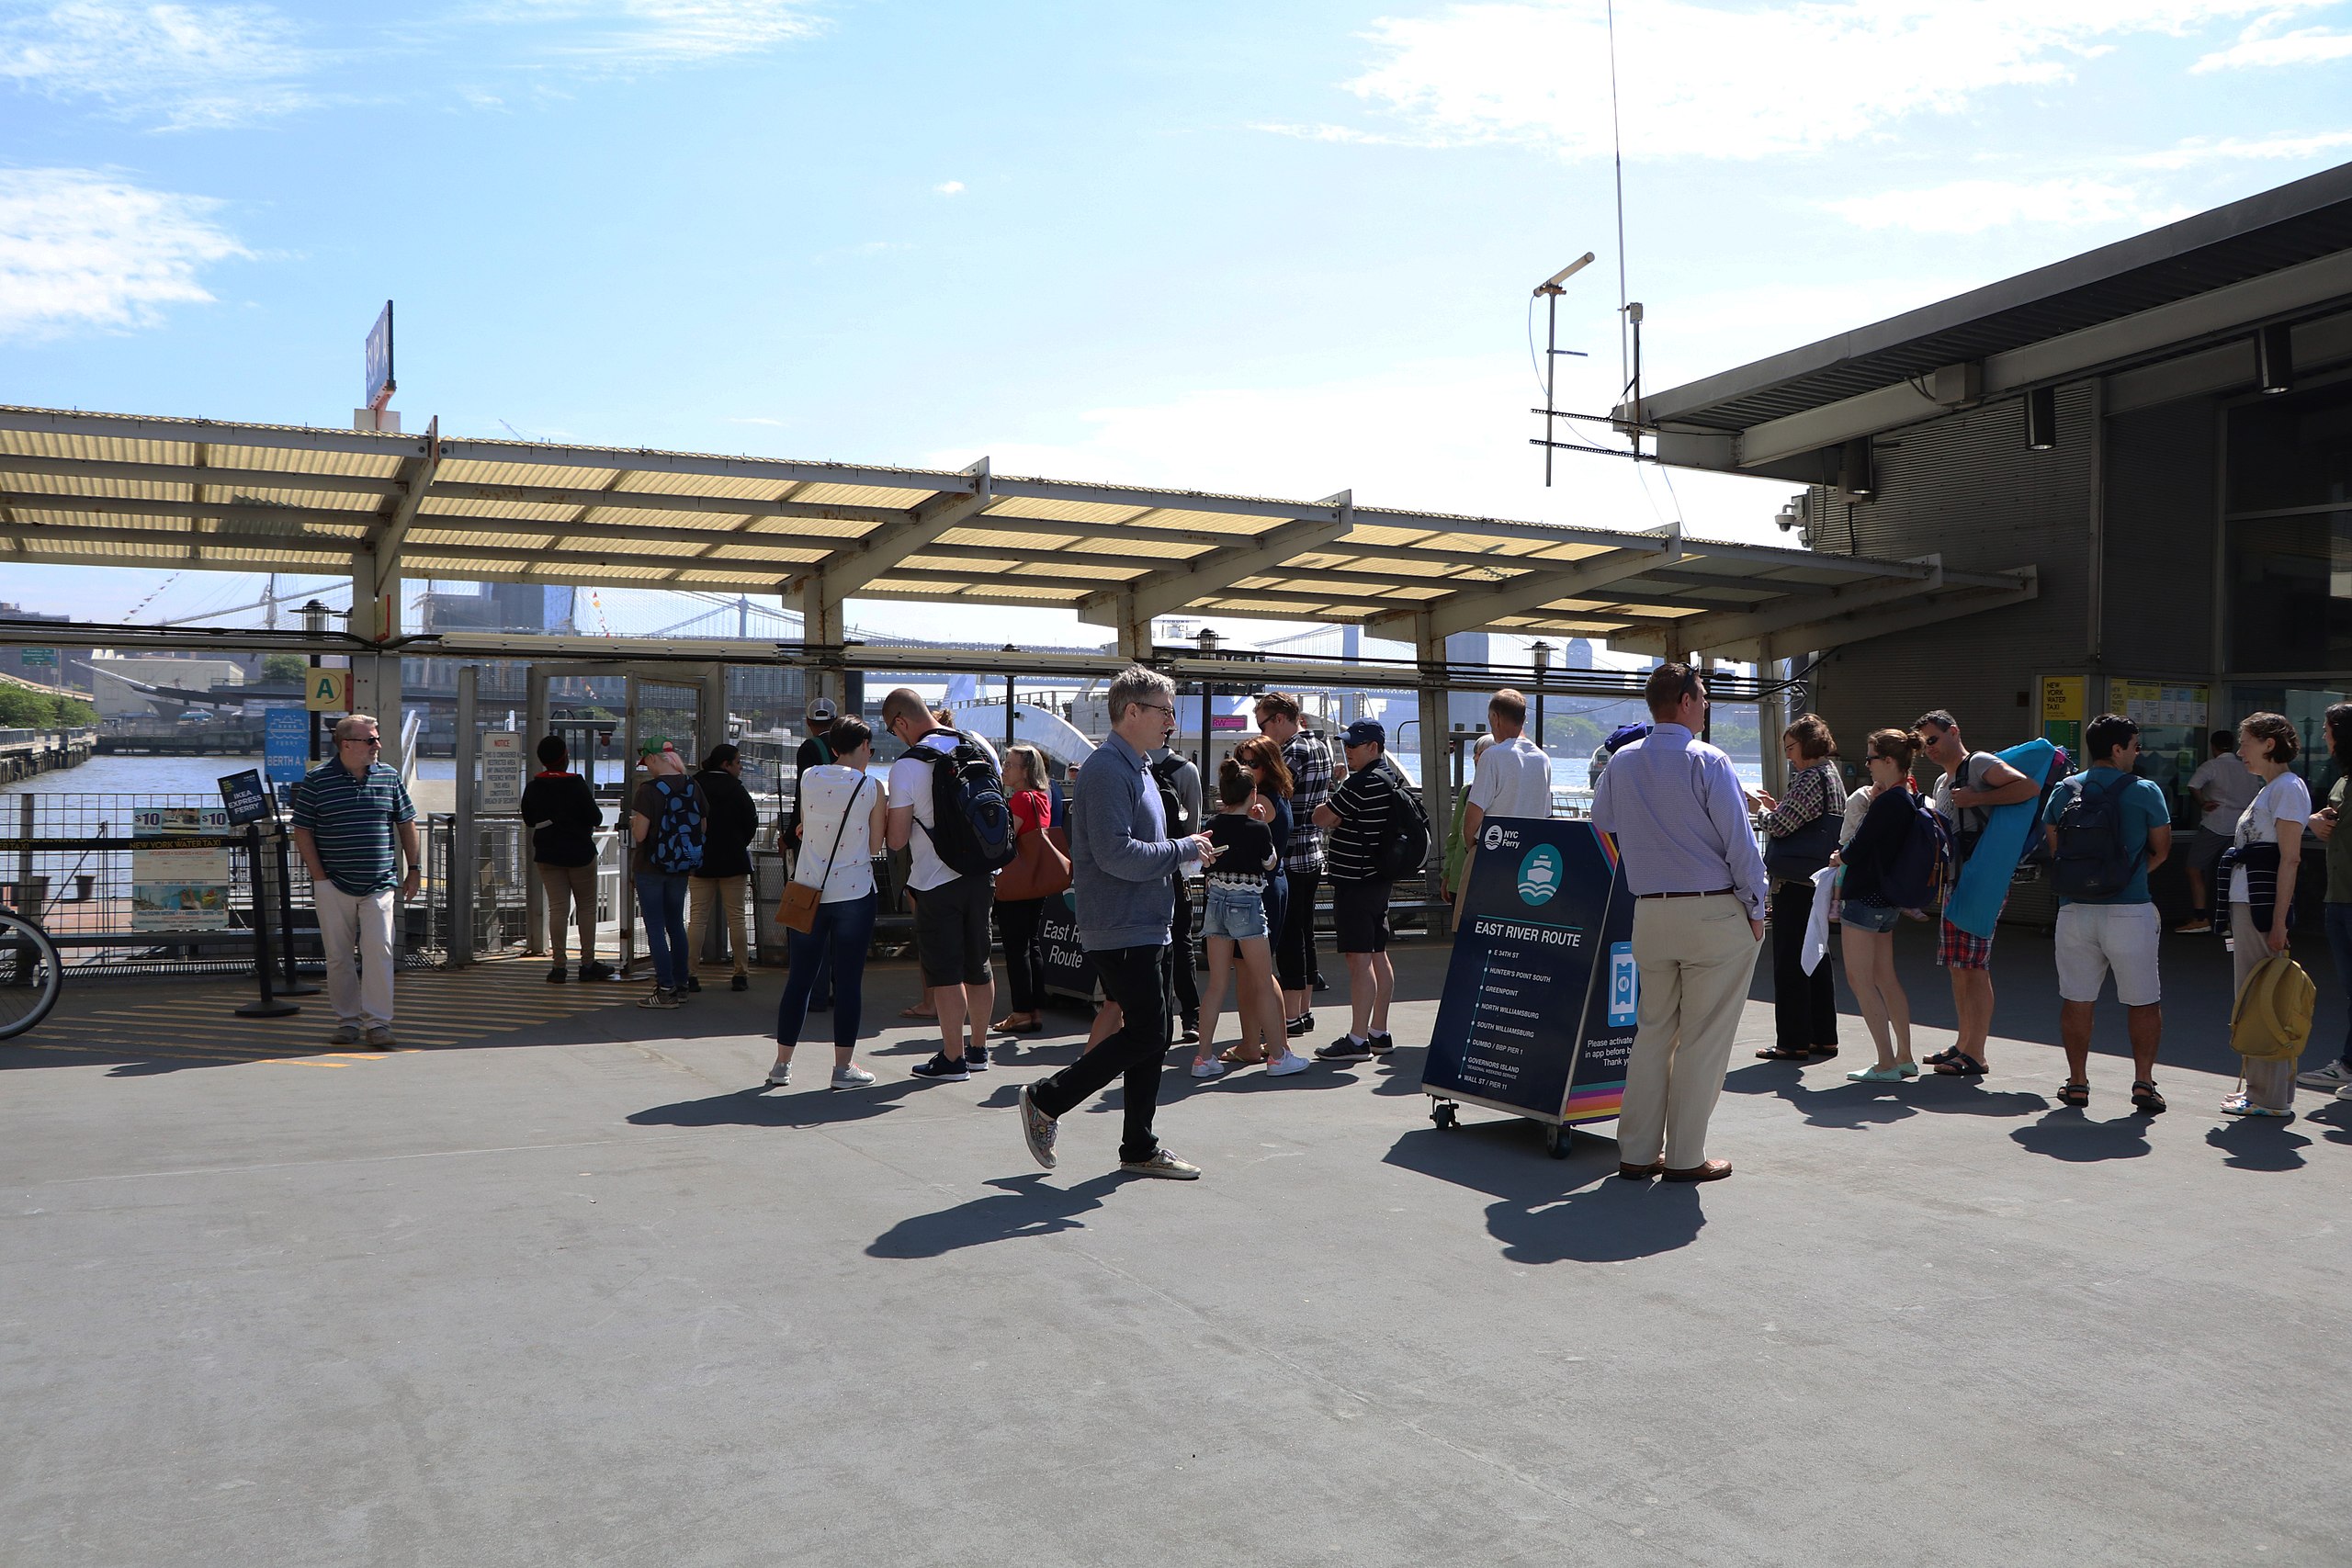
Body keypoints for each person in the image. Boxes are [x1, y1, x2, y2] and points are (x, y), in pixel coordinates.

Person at [1016, 665, 1219, 1179]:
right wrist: (1182, 849)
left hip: (1147, 921)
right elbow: (1114, 854)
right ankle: (1047, 1099)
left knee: (1154, 1032)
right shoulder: (1110, 770)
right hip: (1123, 925)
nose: (1171, 720)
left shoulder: (1138, 766)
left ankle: (1139, 1145)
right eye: (1164, 711)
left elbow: (1135, 848)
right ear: (1132, 713)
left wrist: (1184, 851)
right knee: (1150, 1032)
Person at [1589, 663, 1769, 1183]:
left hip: (1650, 910)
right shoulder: (1709, 760)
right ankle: (1687, 1155)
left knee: (1652, 1033)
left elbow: (1602, 824)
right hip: (1711, 909)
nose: (1707, 705)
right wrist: (1757, 909)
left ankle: (1636, 1151)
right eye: (1705, 697)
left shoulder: (1621, 762)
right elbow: (1741, 845)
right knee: (1703, 1038)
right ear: (1687, 702)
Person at [2040, 713, 2173, 1113]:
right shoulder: (2145, 790)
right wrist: (2123, 879)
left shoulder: (2063, 791)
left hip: (2075, 911)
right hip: (2130, 911)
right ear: (2117, 749)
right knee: (2143, 1000)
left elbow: (2055, 850)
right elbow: (2161, 850)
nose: (2138, 752)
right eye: (2134, 745)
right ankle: (2144, 1084)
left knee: (2077, 999)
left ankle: (2077, 1082)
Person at [1914, 709, 2040, 1077]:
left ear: (1954, 731)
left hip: (1983, 876)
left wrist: (1973, 798)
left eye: (1933, 740)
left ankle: (1977, 1052)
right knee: (1958, 966)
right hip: (1957, 878)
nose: (1929, 749)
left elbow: (2028, 788)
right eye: (1923, 745)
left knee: (1974, 966)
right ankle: (1963, 1042)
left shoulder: (1980, 763)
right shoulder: (1941, 782)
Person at [883, 688, 1000, 1080]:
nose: (895, 737)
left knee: (946, 972)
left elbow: (897, 840)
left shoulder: (908, 765)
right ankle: (980, 1050)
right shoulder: (979, 746)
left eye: (891, 729)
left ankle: (953, 1058)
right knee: (979, 965)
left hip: (936, 879)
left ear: (901, 721)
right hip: (982, 874)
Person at [291, 713, 421, 1048]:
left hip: (380, 882)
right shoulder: (317, 780)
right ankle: (347, 1020)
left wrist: (414, 868)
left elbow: (407, 822)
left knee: (380, 950)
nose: (378, 745)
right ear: (347, 744)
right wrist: (319, 876)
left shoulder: (389, 776)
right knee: (338, 955)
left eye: (376, 738)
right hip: (333, 882)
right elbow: (302, 829)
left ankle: (379, 1023)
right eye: (371, 740)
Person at [768, 716, 885, 1089]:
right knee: (848, 983)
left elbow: (805, 825)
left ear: (833, 748)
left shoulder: (810, 777)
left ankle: (782, 1065)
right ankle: (842, 1069)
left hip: (809, 892)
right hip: (853, 892)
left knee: (799, 981)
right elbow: (875, 846)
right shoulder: (872, 786)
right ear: (863, 747)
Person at [1189, 758, 1312, 1079]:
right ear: (1253, 793)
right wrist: (1262, 825)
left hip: (1214, 903)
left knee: (1216, 984)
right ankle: (1278, 1055)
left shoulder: (1212, 827)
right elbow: (1271, 864)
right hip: (1247, 907)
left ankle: (1203, 1058)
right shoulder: (1259, 829)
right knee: (1261, 980)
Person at [2221, 711, 2309, 1118]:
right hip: (2249, 902)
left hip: (2260, 906)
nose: (2241, 752)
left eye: (2246, 743)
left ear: (2269, 744)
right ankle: (2260, 1090)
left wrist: (2278, 922)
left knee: (2264, 998)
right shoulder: (2272, 788)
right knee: (2252, 995)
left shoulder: (2287, 788)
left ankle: (2268, 1097)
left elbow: (2289, 859)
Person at [1312, 718, 1407, 1062]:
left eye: (1354, 745)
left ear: (1373, 748)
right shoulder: (1389, 778)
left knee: (1359, 958)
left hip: (1355, 880)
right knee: (1377, 952)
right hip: (1378, 879)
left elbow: (1321, 817)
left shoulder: (1361, 783)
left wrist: (1334, 798)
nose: (1348, 751)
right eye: (1347, 745)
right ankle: (1378, 1032)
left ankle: (1357, 1038)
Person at [1751, 715, 1843, 1062]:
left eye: (1791, 748)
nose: (1789, 756)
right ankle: (1824, 1036)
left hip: (1795, 882)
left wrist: (1762, 811)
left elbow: (1782, 825)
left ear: (1807, 745)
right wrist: (1778, 808)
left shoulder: (1808, 777)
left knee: (1790, 961)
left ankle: (1792, 1041)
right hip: (1819, 879)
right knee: (1816, 958)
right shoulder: (1831, 775)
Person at [1836, 729, 1921, 1083]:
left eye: (1871, 758)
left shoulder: (1886, 803)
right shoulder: (1909, 797)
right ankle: (1905, 1056)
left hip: (1864, 895)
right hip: (1888, 899)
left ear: (1889, 761)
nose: (1867, 765)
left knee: (1859, 979)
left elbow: (1855, 848)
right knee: (1886, 977)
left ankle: (1886, 1061)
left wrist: (1838, 855)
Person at [1215, 735, 1303, 1070]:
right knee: (1254, 971)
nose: (1245, 768)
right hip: (1269, 885)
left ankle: (1263, 1044)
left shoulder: (1260, 803)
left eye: (1252, 763)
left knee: (1256, 972)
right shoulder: (1276, 797)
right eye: (1241, 761)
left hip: (1256, 891)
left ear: (1268, 765)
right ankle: (1264, 1043)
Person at [1255, 693, 1332, 1037]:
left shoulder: (1292, 752)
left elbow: (1277, 792)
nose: (1263, 732)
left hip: (1291, 853)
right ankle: (1304, 1011)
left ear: (1281, 718)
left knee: (1288, 936)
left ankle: (1290, 1015)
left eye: (1263, 724)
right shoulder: (1320, 746)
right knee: (1305, 932)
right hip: (1314, 850)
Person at [521, 734, 611, 984]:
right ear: (565, 757)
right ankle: (587, 963)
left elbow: (529, 820)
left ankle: (559, 966)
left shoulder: (533, 786)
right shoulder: (576, 784)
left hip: (548, 855)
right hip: (580, 854)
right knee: (587, 908)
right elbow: (596, 818)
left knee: (558, 909)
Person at [628, 737, 706, 1010]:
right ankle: (682, 985)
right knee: (676, 924)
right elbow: (703, 826)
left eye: (646, 762)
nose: (646, 768)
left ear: (653, 758)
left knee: (655, 928)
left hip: (650, 867)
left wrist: (634, 821)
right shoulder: (692, 785)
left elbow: (640, 834)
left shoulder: (648, 790)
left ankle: (665, 990)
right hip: (681, 865)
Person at [2301, 703, 2352, 1098]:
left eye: (2326, 729)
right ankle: (2349, 1066)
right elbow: (2331, 813)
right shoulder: (2343, 778)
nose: (2322, 736)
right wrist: (2319, 819)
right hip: (2339, 894)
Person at [687, 743, 760, 993]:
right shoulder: (736, 789)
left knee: (697, 919)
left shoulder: (695, 785)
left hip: (700, 860)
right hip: (733, 860)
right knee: (737, 918)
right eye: (737, 762)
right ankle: (740, 973)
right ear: (726, 764)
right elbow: (751, 820)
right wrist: (739, 842)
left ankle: (690, 973)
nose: (740, 767)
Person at [991, 742, 1053, 1037]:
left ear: (1025, 771)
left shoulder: (1019, 800)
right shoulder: (1043, 797)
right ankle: (1035, 1009)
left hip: (1016, 882)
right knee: (1032, 943)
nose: (1004, 768)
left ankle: (1020, 1013)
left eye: (1009, 764)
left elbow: (1006, 840)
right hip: (1037, 881)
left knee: (1016, 949)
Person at [784, 697, 840, 1012]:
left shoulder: (809, 749)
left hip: (814, 843)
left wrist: (791, 834)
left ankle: (816, 993)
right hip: (846, 845)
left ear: (809, 723)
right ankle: (839, 989)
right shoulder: (851, 746)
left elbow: (804, 797)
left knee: (810, 916)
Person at [1148, 743, 1205, 1044]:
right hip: (1175, 867)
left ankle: (1161, 1016)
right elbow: (1194, 825)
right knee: (1182, 942)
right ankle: (1191, 1015)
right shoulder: (1186, 770)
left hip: (1143, 866)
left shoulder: (1135, 769)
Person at [1460, 689, 1552, 867]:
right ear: (1523, 720)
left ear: (1495, 717)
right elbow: (1545, 815)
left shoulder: (1492, 756)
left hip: (1491, 850)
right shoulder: (1543, 759)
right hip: (1527, 852)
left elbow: (1474, 813)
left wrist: (1472, 849)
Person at [2180, 728, 2257, 933]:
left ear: (2213, 746)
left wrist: (2202, 803)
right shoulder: (2247, 768)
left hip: (2216, 823)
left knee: (2194, 868)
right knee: (2233, 874)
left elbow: (2193, 785)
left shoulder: (2212, 766)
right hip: (2241, 826)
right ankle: (2231, 922)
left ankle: (2200, 917)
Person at [1442, 735, 1498, 905]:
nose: (1476, 758)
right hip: (1459, 878)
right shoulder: (1466, 792)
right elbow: (1454, 838)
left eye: (1481, 753)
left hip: (1487, 881)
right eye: (1475, 753)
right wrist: (1447, 875)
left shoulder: (1500, 793)